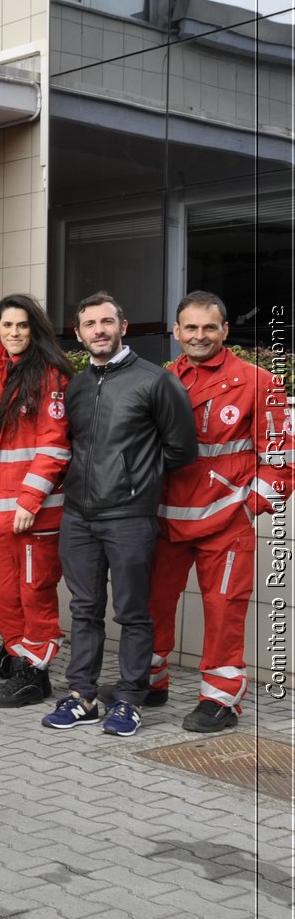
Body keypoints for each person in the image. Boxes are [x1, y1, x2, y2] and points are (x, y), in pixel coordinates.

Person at [42, 290, 196, 736]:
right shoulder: (77, 385)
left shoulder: (155, 381)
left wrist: (136, 479)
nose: (99, 331)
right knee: (85, 609)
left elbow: (182, 449)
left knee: (132, 612)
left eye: (107, 322)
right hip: (78, 516)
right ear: (79, 333)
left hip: (129, 516)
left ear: (123, 326)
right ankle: (82, 697)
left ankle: (129, 700)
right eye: (90, 325)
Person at [149, 290, 291, 731]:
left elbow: (281, 460)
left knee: (224, 610)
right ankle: (149, 681)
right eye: (190, 327)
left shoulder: (259, 382)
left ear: (226, 331)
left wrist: (248, 509)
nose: (199, 335)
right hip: (166, 519)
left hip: (225, 522)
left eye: (209, 327)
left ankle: (221, 700)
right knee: (152, 605)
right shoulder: (160, 378)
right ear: (176, 332)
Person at [0, 295, 75, 708]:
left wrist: (29, 500)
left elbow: (54, 445)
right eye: (7, 325)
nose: (14, 333)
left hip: (32, 513)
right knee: (0, 592)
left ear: (34, 330)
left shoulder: (50, 375)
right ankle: (21, 657)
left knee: (34, 592)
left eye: (22, 326)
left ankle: (34, 673)